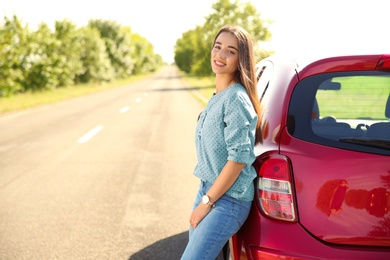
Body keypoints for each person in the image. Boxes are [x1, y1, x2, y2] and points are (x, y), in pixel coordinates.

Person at [181, 25, 263, 259]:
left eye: (230, 51)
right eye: (217, 47)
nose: (220, 55)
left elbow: (238, 159)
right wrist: (205, 197)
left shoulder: (236, 99)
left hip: (228, 201)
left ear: (241, 59)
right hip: (208, 190)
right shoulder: (218, 96)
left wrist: (207, 202)